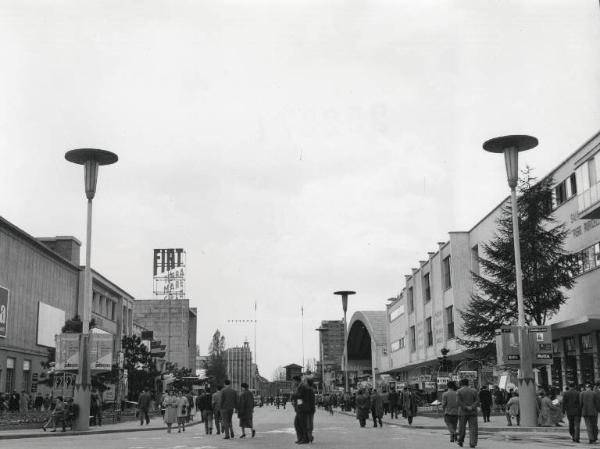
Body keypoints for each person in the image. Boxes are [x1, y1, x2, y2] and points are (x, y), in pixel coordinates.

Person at [457, 378, 479, 448]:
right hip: (473, 412)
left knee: (462, 427)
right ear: (468, 383)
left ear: (461, 384)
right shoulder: (474, 390)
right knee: (473, 428)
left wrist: (465, 407)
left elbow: (458, 401)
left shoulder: (459, 391)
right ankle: (472, 443)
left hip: (463, 412)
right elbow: (477, 401)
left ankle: (460, 440)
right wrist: (472, 407)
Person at [292, 374, 310, 444]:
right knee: (297, 424)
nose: (293, 383)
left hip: (302, 408)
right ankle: (301, 438)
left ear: (297, 381)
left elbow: (300, 396)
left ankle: (305, 439)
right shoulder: (299, 387)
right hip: (299, 408)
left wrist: (293, 395)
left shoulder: (302, 387)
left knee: (302, 424)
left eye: (294, 381)